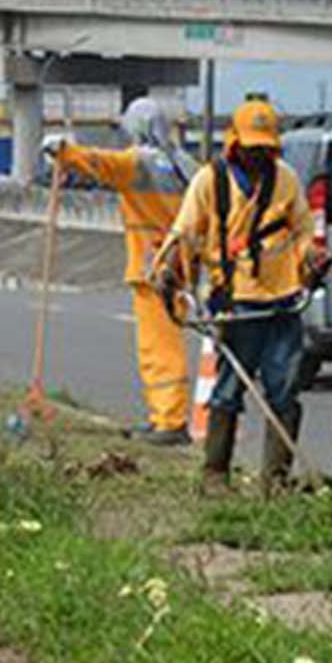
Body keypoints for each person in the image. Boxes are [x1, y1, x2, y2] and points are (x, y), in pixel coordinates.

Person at [156, 96, 324, 488]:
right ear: (235, 142)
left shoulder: (285, 179)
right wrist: (170, 271)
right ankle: (215, 473)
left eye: (266, 148)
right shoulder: (210, 181)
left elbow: (301, 229)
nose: (259, 155)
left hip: (282, 303)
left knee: (284, 389)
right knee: (229, 389)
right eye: (252, 148)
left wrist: (311, 257)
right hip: (236, 304)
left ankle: (275, 480)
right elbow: (185, 233)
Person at [45, 96, 196, 444]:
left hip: (151, 269)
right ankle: (162, 416)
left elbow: (98, 163)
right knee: (165, 344)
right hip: (179, 266)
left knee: (159, 348)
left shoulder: (137, 163)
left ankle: (170, 421)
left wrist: (63, 151)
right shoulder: (186, 165)